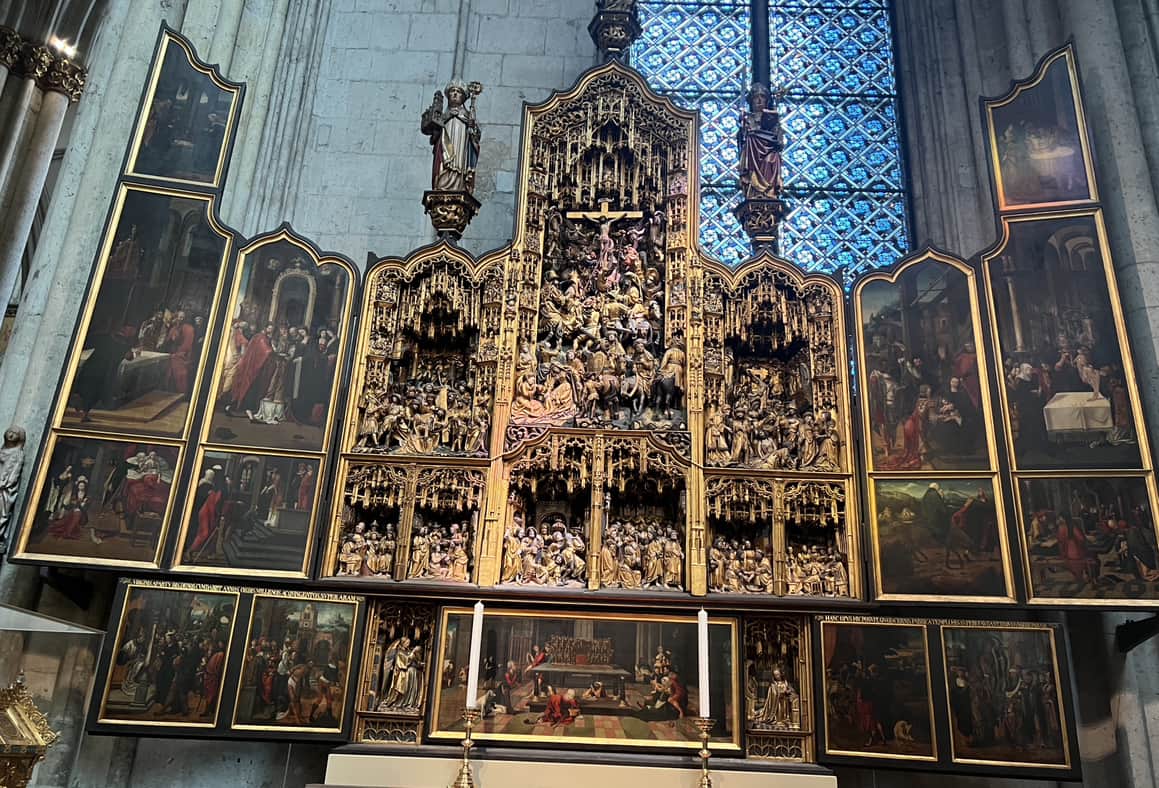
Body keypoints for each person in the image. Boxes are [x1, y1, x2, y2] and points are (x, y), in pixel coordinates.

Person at [421, 79, 481, 193]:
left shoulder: (467, 116)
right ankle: (442, 182)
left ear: (463, 97)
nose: (455, 94)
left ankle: (460, 183)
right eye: (452, 91)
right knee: (444, 165)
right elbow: (435, 138)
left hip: (461, 149)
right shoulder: (442, 117)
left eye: (458, 92)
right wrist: (435, 130)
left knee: (459, 164)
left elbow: (476, 137)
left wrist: (472, 128)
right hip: (445, 148)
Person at [737, 82, 784, 199]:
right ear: (751, 101)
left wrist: (775, 128)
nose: (759, 100)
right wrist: (743, 129)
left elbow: (779, 142)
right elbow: (741, 140)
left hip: (769, 152)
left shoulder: (772, 118)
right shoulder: (747, 118)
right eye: (755, 97)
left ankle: (769, 192)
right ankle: (753, 191)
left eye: (762, 97)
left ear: (767, 101)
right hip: (752, 153)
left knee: (771, 160)